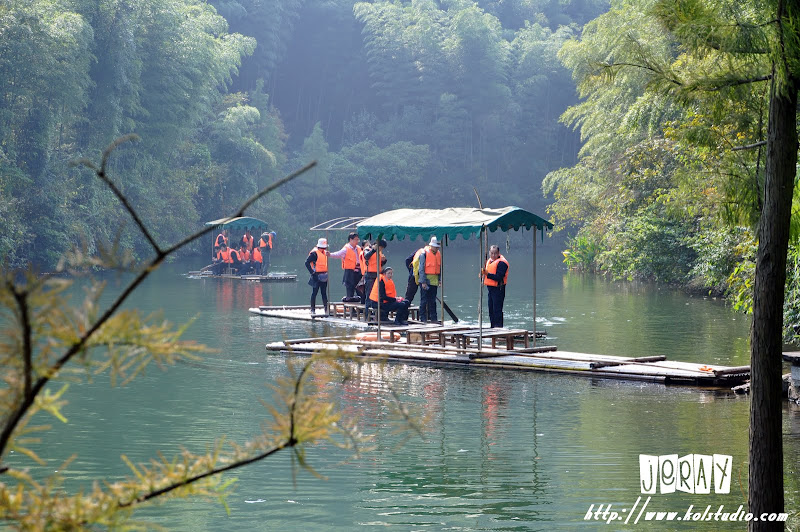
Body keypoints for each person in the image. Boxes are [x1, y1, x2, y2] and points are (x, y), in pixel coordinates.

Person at [328, 232, 362, 302]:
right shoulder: (346, 249)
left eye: (358, 240)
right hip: (350, 272)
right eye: (355, 240)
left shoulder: (359, 248)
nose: (357, 241)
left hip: (359, 272)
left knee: (360, 289)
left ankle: (361, 308)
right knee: (350, 290)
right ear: (350, 240)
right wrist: (330, 254)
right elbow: (338, 254)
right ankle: (352, 310)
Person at [483, 245, 509, 328]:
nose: (493, 255)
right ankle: (493, 327)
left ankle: (498, 328)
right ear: (490, 253)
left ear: (498, 253)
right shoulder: (489, 261)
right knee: (491, 310)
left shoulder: (502, 263)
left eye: (495, 253)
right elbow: (488, 273)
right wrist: (483, 275)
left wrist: (487, 274)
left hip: (498, 289)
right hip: (490, 289)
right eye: (492, 253)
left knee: (497, 310)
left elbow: (498, 277)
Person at [417, 236, 441, 323]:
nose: (437, 248)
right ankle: (423, 318)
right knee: (424, 300)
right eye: (436, 246)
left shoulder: (438, 254)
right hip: (426, 280)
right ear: (431, 246)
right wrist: (423, 282)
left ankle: (433, 318)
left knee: (433, 301)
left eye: (438, 247)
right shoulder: (424, 254)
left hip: (434, 281)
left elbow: (439, 268)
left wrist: (439, 279)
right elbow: (421, 269)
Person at [305, 237, 330, 315]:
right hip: (316, 275)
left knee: (324, 293)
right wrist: (312, 273)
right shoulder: (314, 253)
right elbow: (306, 263)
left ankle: (326, 309)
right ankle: (312, 309)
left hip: (324, 275)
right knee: (314, 292)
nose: (324, 248)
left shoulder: (325, 252)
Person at [361, 238, 387, 304]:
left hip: (378, 275)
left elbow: (379, 264)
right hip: (370, 275)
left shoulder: (379, 252)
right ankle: (368, 312)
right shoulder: (367, 249)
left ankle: (375, 310)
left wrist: (384, 260)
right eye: (381, 247)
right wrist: (374, 250)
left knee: (377, 294)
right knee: (369, 294)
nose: (381, 249)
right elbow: (366, 256)